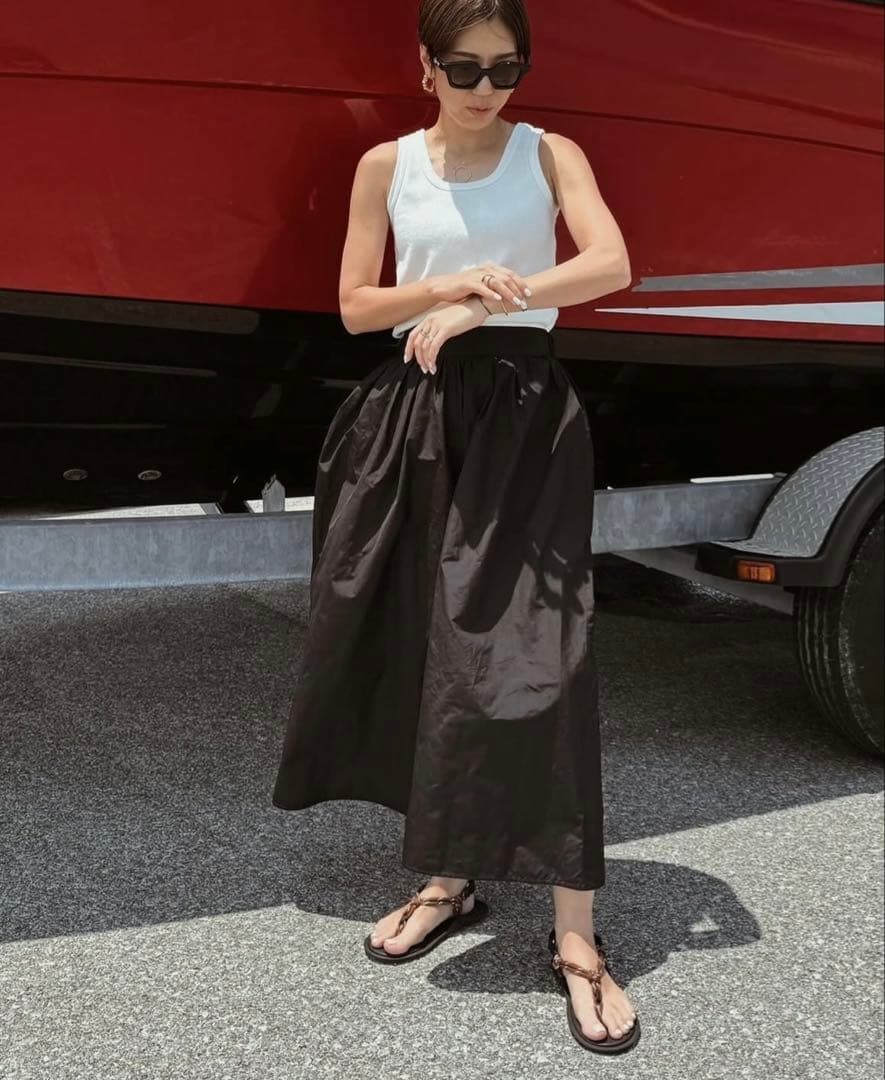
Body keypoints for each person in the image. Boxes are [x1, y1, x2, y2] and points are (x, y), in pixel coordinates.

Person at [272, 0, 640, 1055]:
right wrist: (446, 284)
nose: (487, 87)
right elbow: (356, 306)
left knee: (541, 658)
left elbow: (610, 264)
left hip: (524, 416)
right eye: (465, 67)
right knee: (428, 644)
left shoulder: (549, 151)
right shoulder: (386, 165)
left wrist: (484, 304)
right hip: (415, 416)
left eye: (506, 67)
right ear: (425, 67)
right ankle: (450, 876)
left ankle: (577, 936)